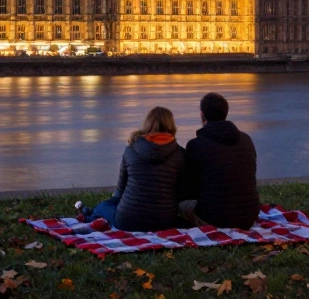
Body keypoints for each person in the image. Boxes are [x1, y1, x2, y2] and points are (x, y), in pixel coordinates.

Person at [77, 106, 185, 231]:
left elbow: (119, 192)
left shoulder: (131, 150)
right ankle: (89, 213)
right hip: (165, 221)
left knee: (104, 207)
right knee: (106, 207)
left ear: (147, 125)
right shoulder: (180, 154)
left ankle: (88, 213)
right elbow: (180, 193)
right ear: (172, 126)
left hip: (128, 221)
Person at [178, 92, 260, 229]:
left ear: (202, 115)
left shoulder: (196, 145)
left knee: (179, 205)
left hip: (215, 218)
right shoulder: (246, 139)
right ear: (225, 113)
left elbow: (190, 186)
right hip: (249, 216)